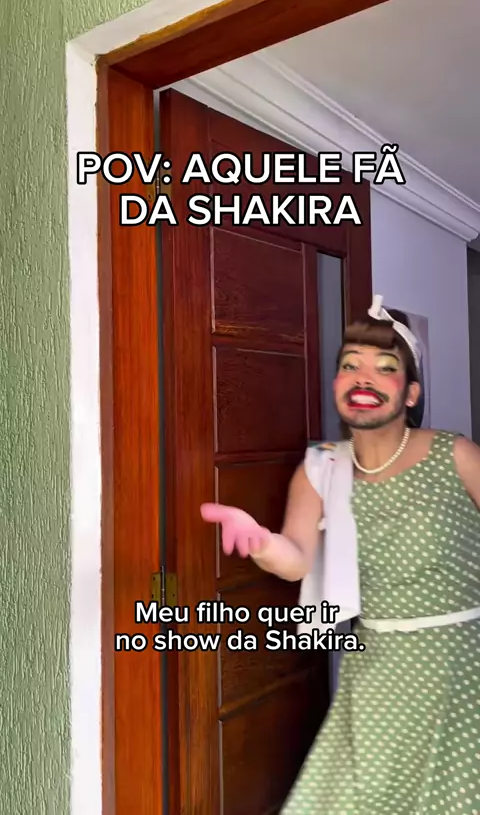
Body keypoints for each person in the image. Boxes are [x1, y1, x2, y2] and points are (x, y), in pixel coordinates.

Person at [201, 296, 480, 814]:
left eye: (385, 367)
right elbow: (297, 557)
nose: (363, 377)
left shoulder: (456, 454)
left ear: (411, 392)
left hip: (464, 665)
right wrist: (260, 541)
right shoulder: (321, 468)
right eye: (350, 365)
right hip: (376, 670)